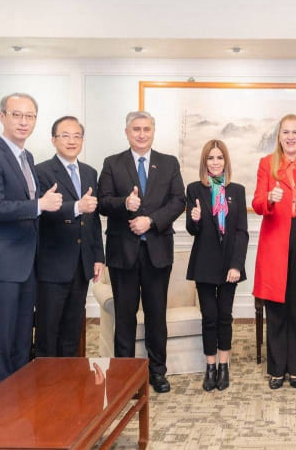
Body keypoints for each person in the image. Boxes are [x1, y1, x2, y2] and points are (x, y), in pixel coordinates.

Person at [0, 93, 63, 389]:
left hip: (25, 265)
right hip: (1, 267)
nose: (24, 122)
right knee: (2, 342)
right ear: (2, 117)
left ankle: (19, 405)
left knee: (23, 340)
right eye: (17, 115)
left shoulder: (27, 158)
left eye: (30, 116)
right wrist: (39, 205)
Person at [98, 110, 185, 393]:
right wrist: (125, 203)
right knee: (124, 317)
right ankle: (124, 375)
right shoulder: (113, 163)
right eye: (136, 129)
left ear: (153, 131)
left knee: (156, 316)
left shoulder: (168, 163)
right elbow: (102, 202)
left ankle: (157, 372)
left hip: (157, 252)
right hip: (123, 253)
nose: (141, 134)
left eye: (146, 129)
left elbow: (178, 200)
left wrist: (152, 220)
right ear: (127, 132)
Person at [253, 114, 296, 389]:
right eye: (285, 132)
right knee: (276, 308)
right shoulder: (266, 164)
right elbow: (257, 201)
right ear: (278, 136)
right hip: (274, 242)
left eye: (295, 132)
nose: (290, 137)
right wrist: (268, 198)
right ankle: (276, 369)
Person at [34, 116, 104, 358]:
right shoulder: (40, 172)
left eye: (77, 136)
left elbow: (92, 218)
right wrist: (76, 207)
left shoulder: (89, 172)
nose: (71, 141)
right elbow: (40, 213)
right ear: (54, 140)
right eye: (65, 135)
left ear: (82, 140)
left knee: (72, 333)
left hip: (81, 265)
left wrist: (98, 256)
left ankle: (69, 387)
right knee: (48, 332)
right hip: (52, 266)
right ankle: (45, 390)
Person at [186, 140, 249, 391]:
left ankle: (224, 366)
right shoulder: (194, 189)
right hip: (204, 264)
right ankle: (210, 367)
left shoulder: (238, 190)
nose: (215, 162)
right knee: (209, 317)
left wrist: (237, 265)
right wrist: (195, 218)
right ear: (204, 162)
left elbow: (242, 232)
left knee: (225, 317)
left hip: (229, 266)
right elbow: (193, 231)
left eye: (219, 157)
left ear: (226, 161)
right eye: (210, 158)